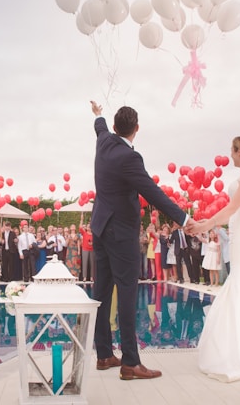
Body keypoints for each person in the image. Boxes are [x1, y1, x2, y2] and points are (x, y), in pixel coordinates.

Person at [89, 100, 195, 380]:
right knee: (126, 294)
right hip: (121, 234)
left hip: (99, 228)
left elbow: (98, 127)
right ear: (137, 128)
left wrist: (98, 113)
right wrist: (183, 219)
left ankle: (103, 354)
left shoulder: (104, 142)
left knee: (100, 294)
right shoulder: (129, 158)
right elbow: (153, 192)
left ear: (114, 127)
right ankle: (130, 363)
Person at [190, 135, 240, 382]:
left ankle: (239, 352)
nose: (231, 154)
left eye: (232, 150)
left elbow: (231, 208)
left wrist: (205, 223)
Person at [79, 214, 94, 282]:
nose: (89, 227)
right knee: (85, 263)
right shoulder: (84, 233)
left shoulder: (94, 234)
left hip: (92, 250)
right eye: (88, 226)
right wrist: (81, 219)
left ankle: (92, 277)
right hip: (85, 249)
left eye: (90, 226)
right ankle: (84, 277)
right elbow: (80, 227)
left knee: (92, 263)